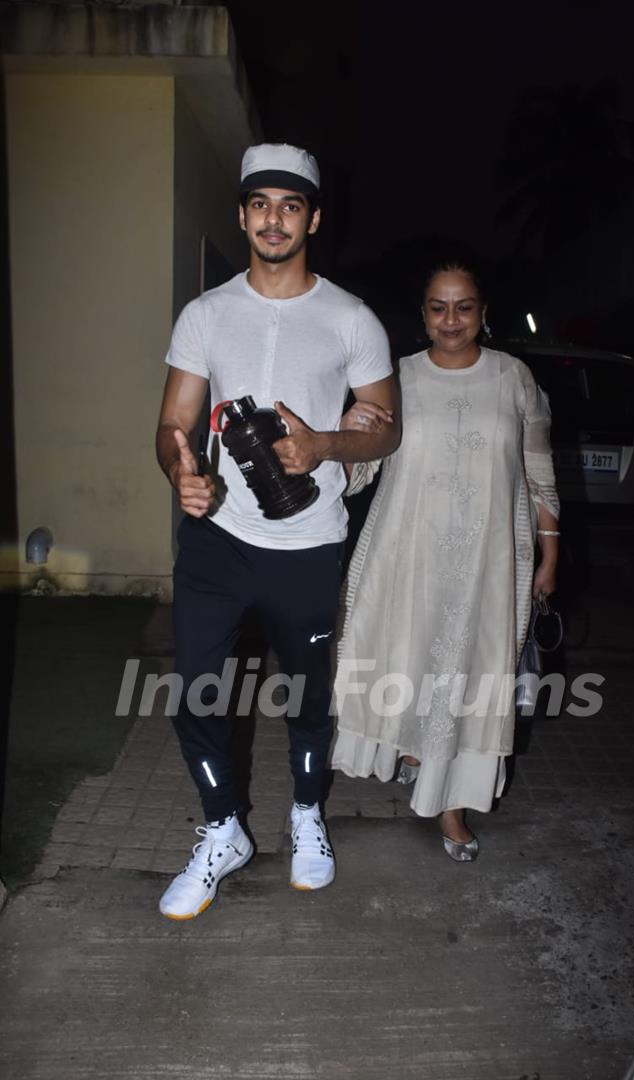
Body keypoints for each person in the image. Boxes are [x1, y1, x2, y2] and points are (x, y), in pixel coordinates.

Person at [155, 143, 398, 918]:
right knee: (195, 693)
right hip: (217, 541)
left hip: (309, 541)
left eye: (290, 205)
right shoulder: (205, 314)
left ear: (312, 218)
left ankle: (304, 814)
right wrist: (180, 471)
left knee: (309, 698)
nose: (273, 218)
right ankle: (223, 829)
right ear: (242, 214)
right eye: (260, 203)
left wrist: (324, 444)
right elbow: (173, 422)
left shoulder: (352, 318)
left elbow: (385, 429)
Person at [331, 261, 560, 859]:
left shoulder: (514, 377)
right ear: (423, 314)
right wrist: (343, 433)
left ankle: (451, 806)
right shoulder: (395, 379)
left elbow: (538, 473)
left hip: (489, 560)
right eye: (438, 307)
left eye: (463, 306)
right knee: (407, 659)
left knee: (473, 676)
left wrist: (550, 554)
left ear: (484, 311)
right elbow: (358, 478)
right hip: (409, 553)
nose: (451, 319)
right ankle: (412, 751)